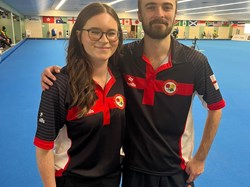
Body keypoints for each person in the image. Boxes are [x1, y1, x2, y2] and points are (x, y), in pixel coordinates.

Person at [41, 0, 226, 186]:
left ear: (176, 14)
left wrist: (200, 157)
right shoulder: (123, 57)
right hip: (131, 169)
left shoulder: (195, 62)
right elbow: (92, 64)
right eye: (151, 7)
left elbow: (216, 107)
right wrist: (59, 73)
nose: (159, 13)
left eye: (167, 7)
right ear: (139, 15)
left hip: (176, 170)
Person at [34, 2, 125, 187]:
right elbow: (44, 149)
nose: (104, 39)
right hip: (72, 179)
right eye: (94, 31)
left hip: (112, 178)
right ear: (79, 35)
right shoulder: (59, 85)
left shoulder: (123, 78)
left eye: (111, 32)